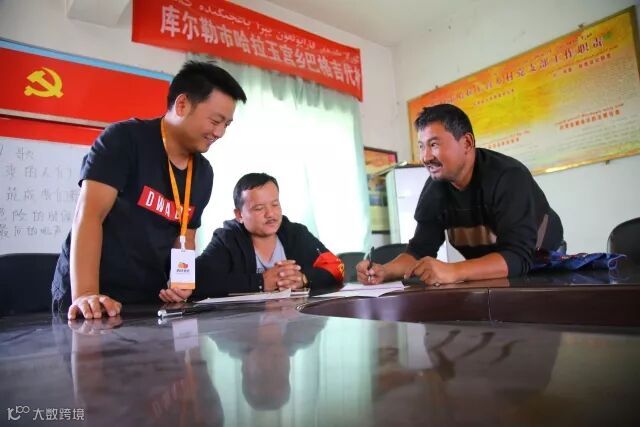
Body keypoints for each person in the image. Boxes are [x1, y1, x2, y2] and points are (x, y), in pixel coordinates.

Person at [51, 61, 247, 319]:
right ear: (182, 104)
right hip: (95, 295)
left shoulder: (203, 172)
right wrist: (86, 293)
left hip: (149, 299)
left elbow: (186, 235)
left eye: (227, 125)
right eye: (215, 121)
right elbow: (89, 216)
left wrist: (182, 282)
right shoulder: (124, 140)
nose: (219, 133)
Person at [357, 104, 563, 285]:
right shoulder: (434, 190)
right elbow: (418, 251)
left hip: (540, 267)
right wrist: (384, 270)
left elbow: (518, 258)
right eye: (421, 146)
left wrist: (453, 271)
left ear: (467, 143)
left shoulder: (508, 177)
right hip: (490, 275)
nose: (425, 157)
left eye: (434, 144)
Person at [194, 173, 343, 297]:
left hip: (293, 320)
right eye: (259, 208)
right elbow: (196, 281)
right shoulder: (227, 239)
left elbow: (336, 267)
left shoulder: (296, 233)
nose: (270, 214)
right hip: (246, 322)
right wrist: (260, 282)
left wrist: (304, 279)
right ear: (239, 215)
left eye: (275, 204)